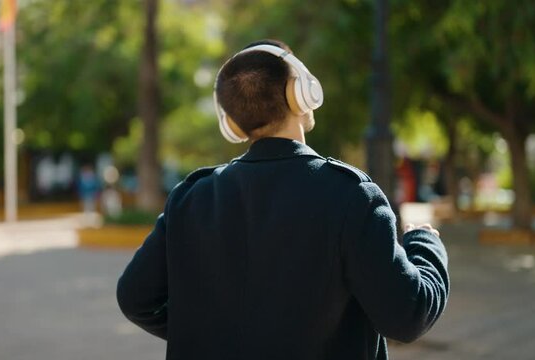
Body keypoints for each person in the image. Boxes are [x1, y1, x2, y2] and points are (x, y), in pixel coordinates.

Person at [117, 39, 449, 360]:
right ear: (301, 92)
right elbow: (406, 316)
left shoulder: (189, 199)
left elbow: (134, 298)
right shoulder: (351, 196)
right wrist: (425, 243)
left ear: (231, 122)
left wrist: (211, 332)